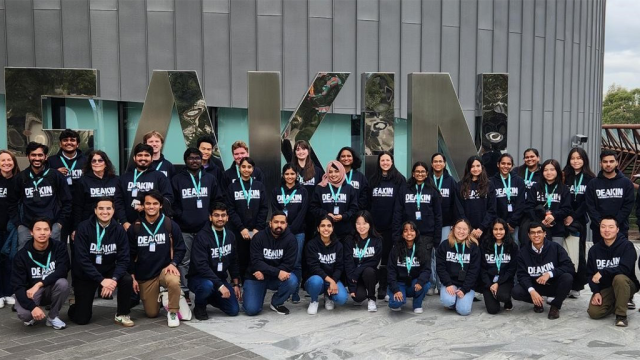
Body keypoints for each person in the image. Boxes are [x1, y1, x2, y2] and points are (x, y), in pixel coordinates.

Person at [69, 197, 134, 326]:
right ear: (95, 210)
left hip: (108, 270)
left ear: (114, 211)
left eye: (108, 208)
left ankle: (122, 314)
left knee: (126, 279)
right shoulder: (83, 227)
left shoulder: (119, 230)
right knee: (82, 319)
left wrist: (114, 279)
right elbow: (82, 259)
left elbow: (124, 259)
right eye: (101, 208)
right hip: (86, 274)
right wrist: (101, 280)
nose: (105, 212)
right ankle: (75, 305)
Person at [128, 191, 185, 327]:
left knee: (173, 280)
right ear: (143, 205)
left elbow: (180, 248)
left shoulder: (169, 224)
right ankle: (164, 296)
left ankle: (172, 311)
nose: (151, 207)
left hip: (165, 269)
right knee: (152, 313)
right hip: (145, 274)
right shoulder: (135, 227)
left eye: (155, 203)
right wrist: (132, 276)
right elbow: (128, 254)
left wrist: (174, 263)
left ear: (160, 206)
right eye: (148, 203)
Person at [172, 148, 222, 302]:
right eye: (191, 158)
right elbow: (173, 203)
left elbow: (217, 199)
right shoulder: (177, 179)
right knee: (184, 261)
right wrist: (182, 216)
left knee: (207, 259)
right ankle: (185, 292)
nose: (194, 161)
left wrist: (211, 217)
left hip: (205, 229)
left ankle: (212, 287)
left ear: (202, 160)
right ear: (185, 160)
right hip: (184, 228)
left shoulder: (209, 178)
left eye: (197, 158)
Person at [10, 142, 72, 248]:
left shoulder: (56, 176)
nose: (37, 158)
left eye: (40, 155)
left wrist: (60, 223)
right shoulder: (21, 178)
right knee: (24, 260)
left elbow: (67, 201)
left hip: (52, 226)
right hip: (27, 227)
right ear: (28, 156)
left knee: (52, 259)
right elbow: (11, 203)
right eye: (33, 155)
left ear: (45, 157)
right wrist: (18, 225)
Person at [11, 218, 70, 329]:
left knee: (63, 283)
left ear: (50, 232)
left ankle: (52, 317)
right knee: (25, 315)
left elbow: (62, 270)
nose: (42, 232)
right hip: (31, 293)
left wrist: (39, 284)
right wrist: (32, 307)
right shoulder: (21, 255)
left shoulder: (59, 247)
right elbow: (17, 285)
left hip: (50, 288)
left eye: (46, 229)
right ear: (31, 232)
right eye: (38, 229)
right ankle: (32, 312)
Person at [394, 161, 441, 294]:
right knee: (411, 259)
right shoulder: (404, 189)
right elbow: (398, 212)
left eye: (423, 172)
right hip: (408, 233)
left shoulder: (432, 190)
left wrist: (437, 237)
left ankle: (427, 285)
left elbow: (438, 215)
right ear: (413, 174)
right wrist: (397, 233)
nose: (420, 174)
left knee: (426, 260)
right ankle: (411, 285)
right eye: (417, 171)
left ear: (427, 174)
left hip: (427, 233)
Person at [188, 202, 241, 320]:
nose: (220, 218)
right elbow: (201, 266)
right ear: (210, 217)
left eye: (223, 215)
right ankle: (200, 305)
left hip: (219, 278)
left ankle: (209, 297)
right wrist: (220, 285)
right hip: (199, 278)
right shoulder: (201, 237)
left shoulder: (230, 236)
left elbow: (234, 261)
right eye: (216, 215)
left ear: (227, 217)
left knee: (233, 310)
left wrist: (236, 283)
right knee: (207, 286)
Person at [511, 223, 575, 320]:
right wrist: (532, 291)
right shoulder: (522, 253)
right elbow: (522, 275)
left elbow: (569, 267)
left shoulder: (555, 247)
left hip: (553, 284)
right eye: (533, 233)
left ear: (544, 233)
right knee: (516, 291)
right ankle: (537, 301)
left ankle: (555, 306)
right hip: (536, 285)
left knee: (567, 278)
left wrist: (550, 274)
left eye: (539, 232)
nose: (536, 235)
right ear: (528, 235)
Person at [242, 211, 298, 316]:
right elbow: (256, 262)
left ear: (286, 224)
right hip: (256, 276)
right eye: (276, 222)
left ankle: (276, 303)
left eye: (282, 222)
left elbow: (289, 264)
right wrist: (276, 272)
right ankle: (255, 294)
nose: (279, 225)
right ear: (270, 223)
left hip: (271, 277)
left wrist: (268, 273)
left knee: (292, 280)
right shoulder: (258, 237)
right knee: (251, 310)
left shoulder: (291, 239)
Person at [586, 217, 639, 327]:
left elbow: (625, 268)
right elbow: (590, 274)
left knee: (619, 278)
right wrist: (596, 292)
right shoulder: (594, 250)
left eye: (611, 227)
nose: (606, 230)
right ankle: (618, 301)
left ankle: (621, 315)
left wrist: (603, 272)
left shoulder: (627, 246)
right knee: (594, 313)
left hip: (626, 284)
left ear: (617, 229)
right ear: (599, 229)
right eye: (603, 227)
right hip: (606, 287)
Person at [368, 151, 406, 300]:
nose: (385, 162)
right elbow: (369, 203)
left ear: (392, 161)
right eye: (382, 160)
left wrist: (397, 226)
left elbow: (401, 205)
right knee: (375, 257)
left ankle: (385, 286)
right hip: (375, 227)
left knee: (387, 258)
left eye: (387, 160)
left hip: (392, 227)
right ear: (379, 162)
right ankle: (373, 285)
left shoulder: (399, 179)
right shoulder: (373, 179)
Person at [270, 164, 309, 303]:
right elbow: (275, 211)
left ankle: (295, 292)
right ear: (283, 175)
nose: (290, 177)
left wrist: (290, 230)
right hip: (280, 232)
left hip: (297, 232)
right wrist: (284, 229)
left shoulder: (302, 191)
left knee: (296, 263)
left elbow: (302, 212)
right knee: (282, 261)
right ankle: (284, 288)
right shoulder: (276, 191)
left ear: (297, 175)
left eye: (292, 174)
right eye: (287, 174)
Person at [226, 156, 268, 280]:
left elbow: (264, 208)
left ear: (253, 169)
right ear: (239, 168)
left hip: (256, 231)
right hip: (239, 230)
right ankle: (240, 284)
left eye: (249, 167)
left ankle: (254, 283)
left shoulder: (259, 186)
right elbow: (230, 209)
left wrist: (258, 228)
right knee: (240, 258)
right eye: (243, 166)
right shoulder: (232, 187)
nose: (246, 169)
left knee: (255, 257)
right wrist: (241, 228)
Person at [115, 143, 173, 230]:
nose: (143, 158)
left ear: (152, 158)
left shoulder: (159, 176)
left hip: (155, 226)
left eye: (146, 155)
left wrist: (146, 207)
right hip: (129, 226)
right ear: (134, 158)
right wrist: (124, 222)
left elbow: (168, 198)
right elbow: (118, 201)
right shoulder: (124, 178)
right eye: (139, 155)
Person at [562, 148, 596, 298]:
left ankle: (576, 285)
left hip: (579, 220)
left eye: (579, 158)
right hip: (562, 217)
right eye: (573, 158)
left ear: (584, 160)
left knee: (578, 253)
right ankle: (564, 282)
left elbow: (588, 202)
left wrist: (573, 217)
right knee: (564, 251)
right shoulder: (564, 176)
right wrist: (565, 215)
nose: (576, 161)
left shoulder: (590, 178)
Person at [428, 153, 462, 295]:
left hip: (446, 224)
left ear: (444, 163)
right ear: (431, 164)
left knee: (442, 253)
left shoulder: (451, 181)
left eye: (440, 161)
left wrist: (454, 225)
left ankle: (442, 283)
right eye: (435, 161)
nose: (437, 164)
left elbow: (456, 204)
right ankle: (431, 283)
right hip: (429, 224)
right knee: (430, 254)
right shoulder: (427, 180)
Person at [586, 149, 634, 244]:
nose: (608, 164)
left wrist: (614, 224)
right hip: (599, 230)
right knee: (600, 258)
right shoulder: (593, 184)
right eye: (605, 161)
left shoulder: (626, 183)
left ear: (616, 163)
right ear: (600, 163)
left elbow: (628, 206)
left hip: (621, 229)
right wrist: (602, 224)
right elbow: (590, 207)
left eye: (611, 161)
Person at [436, 218, 480, 316]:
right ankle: (453, 301)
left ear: (469, 231)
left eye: (464, 229)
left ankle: (461, 301)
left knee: (464, 311)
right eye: (458, 228)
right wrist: (448, 284)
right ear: (453, 229)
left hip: (467, 285)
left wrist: (464, 289)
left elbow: (474, 271)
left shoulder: (473, 247)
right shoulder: (445, 245)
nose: (461, 231)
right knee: (447, 301)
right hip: (451, 283)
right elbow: (440, 268)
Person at [304, 216, 347, 315]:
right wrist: (331, 281)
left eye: (329, 225)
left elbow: (339, 267)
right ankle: (314, 300)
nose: (326, 228)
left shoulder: (339, 245)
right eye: (323, 226)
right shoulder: (311, 245)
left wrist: (334, 281)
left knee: (342, 299)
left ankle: (328, 296)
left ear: (333, 228)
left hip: (332, 278)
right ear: (318, 228)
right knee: (316, 281)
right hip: (316, 279)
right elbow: (314, 268)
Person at [387, 221, 430, 313]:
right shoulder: (395, 249)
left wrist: (420, 281)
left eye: (412, 230)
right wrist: (395, 289)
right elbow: (391, 271)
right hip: (399, 283)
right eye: (405, 231)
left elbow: (426, 269)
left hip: (414, 282)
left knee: (426, 284)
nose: (409, 233)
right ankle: (392, 292)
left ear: (416, 232)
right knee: (395, 304)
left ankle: (417, 304)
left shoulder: (422, 249)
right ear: (402, 234)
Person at [525, 159, 571, 245]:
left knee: (555, 255)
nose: (549, 172)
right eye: (545, 170)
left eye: (552, 169)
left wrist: (553, 216)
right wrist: (540, 221)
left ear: (557, 171)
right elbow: (529, 207)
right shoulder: (535, 187)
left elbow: (566, 208)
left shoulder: (564, 189)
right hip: (537, 229)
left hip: (557, 229)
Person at [344, 210, 382, 312]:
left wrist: (358, 270)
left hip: (369, 274)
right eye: (358, 224)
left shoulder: (376, 239)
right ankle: (360, 291)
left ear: (370, 224)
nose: (361, 227)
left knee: (369, 271)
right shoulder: (349, 240)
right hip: (354, 276)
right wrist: (352, 287)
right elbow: (348, 263)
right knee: (358, 297)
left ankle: (371, 298)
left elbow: (374, 261)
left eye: (364, 223)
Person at [72, 150, 119, 232]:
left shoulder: (116, 180)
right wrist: (76, 228)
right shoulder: (82, 181)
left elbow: (119, 202)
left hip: (112, 224)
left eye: (100, 160)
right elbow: (78, 207)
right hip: (89, 224)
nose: (97, 163)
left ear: (106, 163)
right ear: (90, 164)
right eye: (94, 161)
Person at [310, 161, 359, 239]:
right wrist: (326, 215)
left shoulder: (349, 189)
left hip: (345, 233)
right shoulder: (320, 188)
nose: (333, 174)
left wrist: (343, 216)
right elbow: (313, 207)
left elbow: (354, 208)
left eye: (336, 171)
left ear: (342, 172)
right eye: (330, 172)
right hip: (325, 233)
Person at [480, 218, 519, 314]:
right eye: (495, 229)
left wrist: (498, 283)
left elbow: (511, 270)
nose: (498, 232)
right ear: (491, 230)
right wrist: (490, 284)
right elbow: (482, 268)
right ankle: (494, 296)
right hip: (488, 281)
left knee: (503, 296)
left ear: (505, 230)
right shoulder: (484, 245)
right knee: (493, 310)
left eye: (501, 229)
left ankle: (506, 298)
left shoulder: (512, 246)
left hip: (504, 280)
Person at [458, 156, 496, 241]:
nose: (475, 169)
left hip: (485, 230)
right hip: (465, 230)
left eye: (478, 166)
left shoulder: (489, 185)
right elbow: (459, 210)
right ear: (468, 168)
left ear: (482, 167)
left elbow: (492, 209)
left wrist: (481, 228)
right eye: (472, 166)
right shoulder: (460, 185)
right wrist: (470, 229)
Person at [490, 153, 525, 245]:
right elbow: (491, 205)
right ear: (498, 164)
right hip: (497, 223)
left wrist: (511, 223)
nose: (506, 166)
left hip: (514, 224)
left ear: (512, 165)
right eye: (503, 163)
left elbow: (520, 204)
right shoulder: (491, 182)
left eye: (508, 164)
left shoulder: (519, 181)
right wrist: (499, 223)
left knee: (515, 244)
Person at [0, 150, 18, 308]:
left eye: (9, 160)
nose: (6, 163)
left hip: (10, 228)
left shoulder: (19, 180)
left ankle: (7, 292)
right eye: (3, 160)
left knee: (9, 260)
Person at [514, 148, 542, 248]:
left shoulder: (543, 172)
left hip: (535, 212)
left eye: (532, 156)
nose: (529, 159)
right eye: (526, 157)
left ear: (538, 158)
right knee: (517, 240)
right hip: (519, 211)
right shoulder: (517, 171)